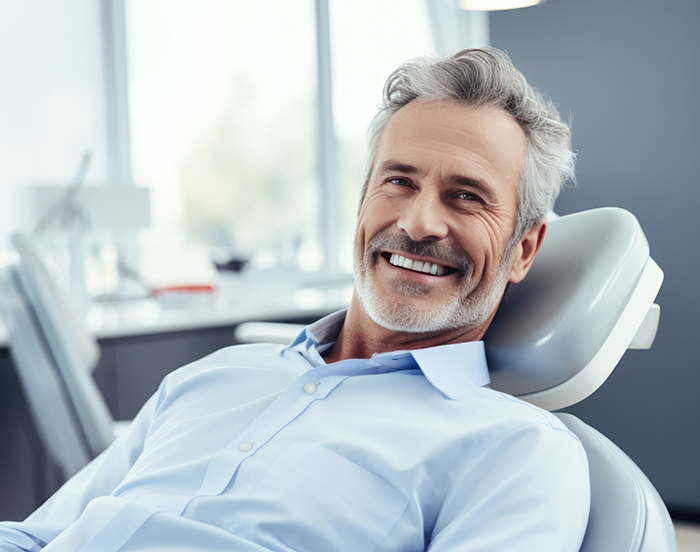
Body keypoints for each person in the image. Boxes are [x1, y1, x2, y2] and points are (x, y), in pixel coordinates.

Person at [0, 47, 589, 551]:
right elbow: (36, 535)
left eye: (465, 196)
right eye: (398, 181)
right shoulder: (211, 375)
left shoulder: (518, 453)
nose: (418, 222)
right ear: (362, 199)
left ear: (522, 250)